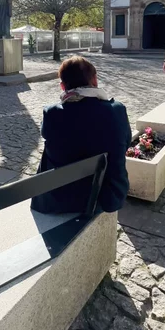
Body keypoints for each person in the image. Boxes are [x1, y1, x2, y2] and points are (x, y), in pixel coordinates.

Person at [31, 56, 131, 215]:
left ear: (63, 86)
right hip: (103, 196)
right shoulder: (117, 110)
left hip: (58, 199)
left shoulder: (52, 113)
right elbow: (125, 143)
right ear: (95, 80)